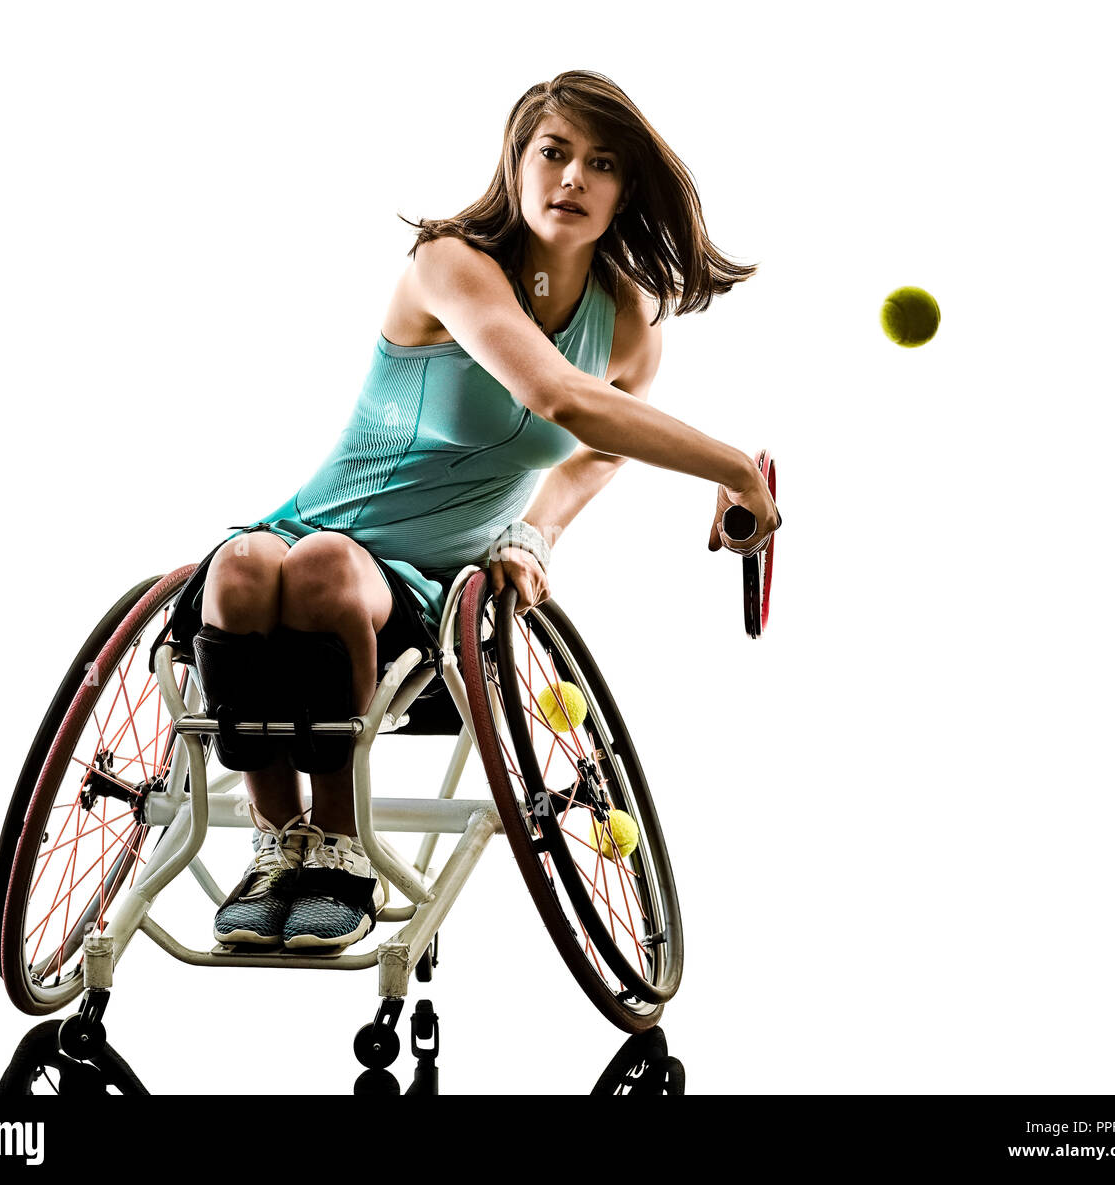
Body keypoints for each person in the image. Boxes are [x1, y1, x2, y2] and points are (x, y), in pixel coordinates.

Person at [188, 69, 782, 954]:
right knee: (248, 563)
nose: (573, 177)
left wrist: (531, 532)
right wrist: (736, 467)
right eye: (555, 153)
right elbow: (559, 398)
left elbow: (600, 449)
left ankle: (341, 844)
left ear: (625, 191)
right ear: (516, 163)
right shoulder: (448, 262)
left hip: (425, 586)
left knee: (322, 576)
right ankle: (281, 842)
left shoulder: (624, 320)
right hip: (316, 529)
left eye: (602, 162)